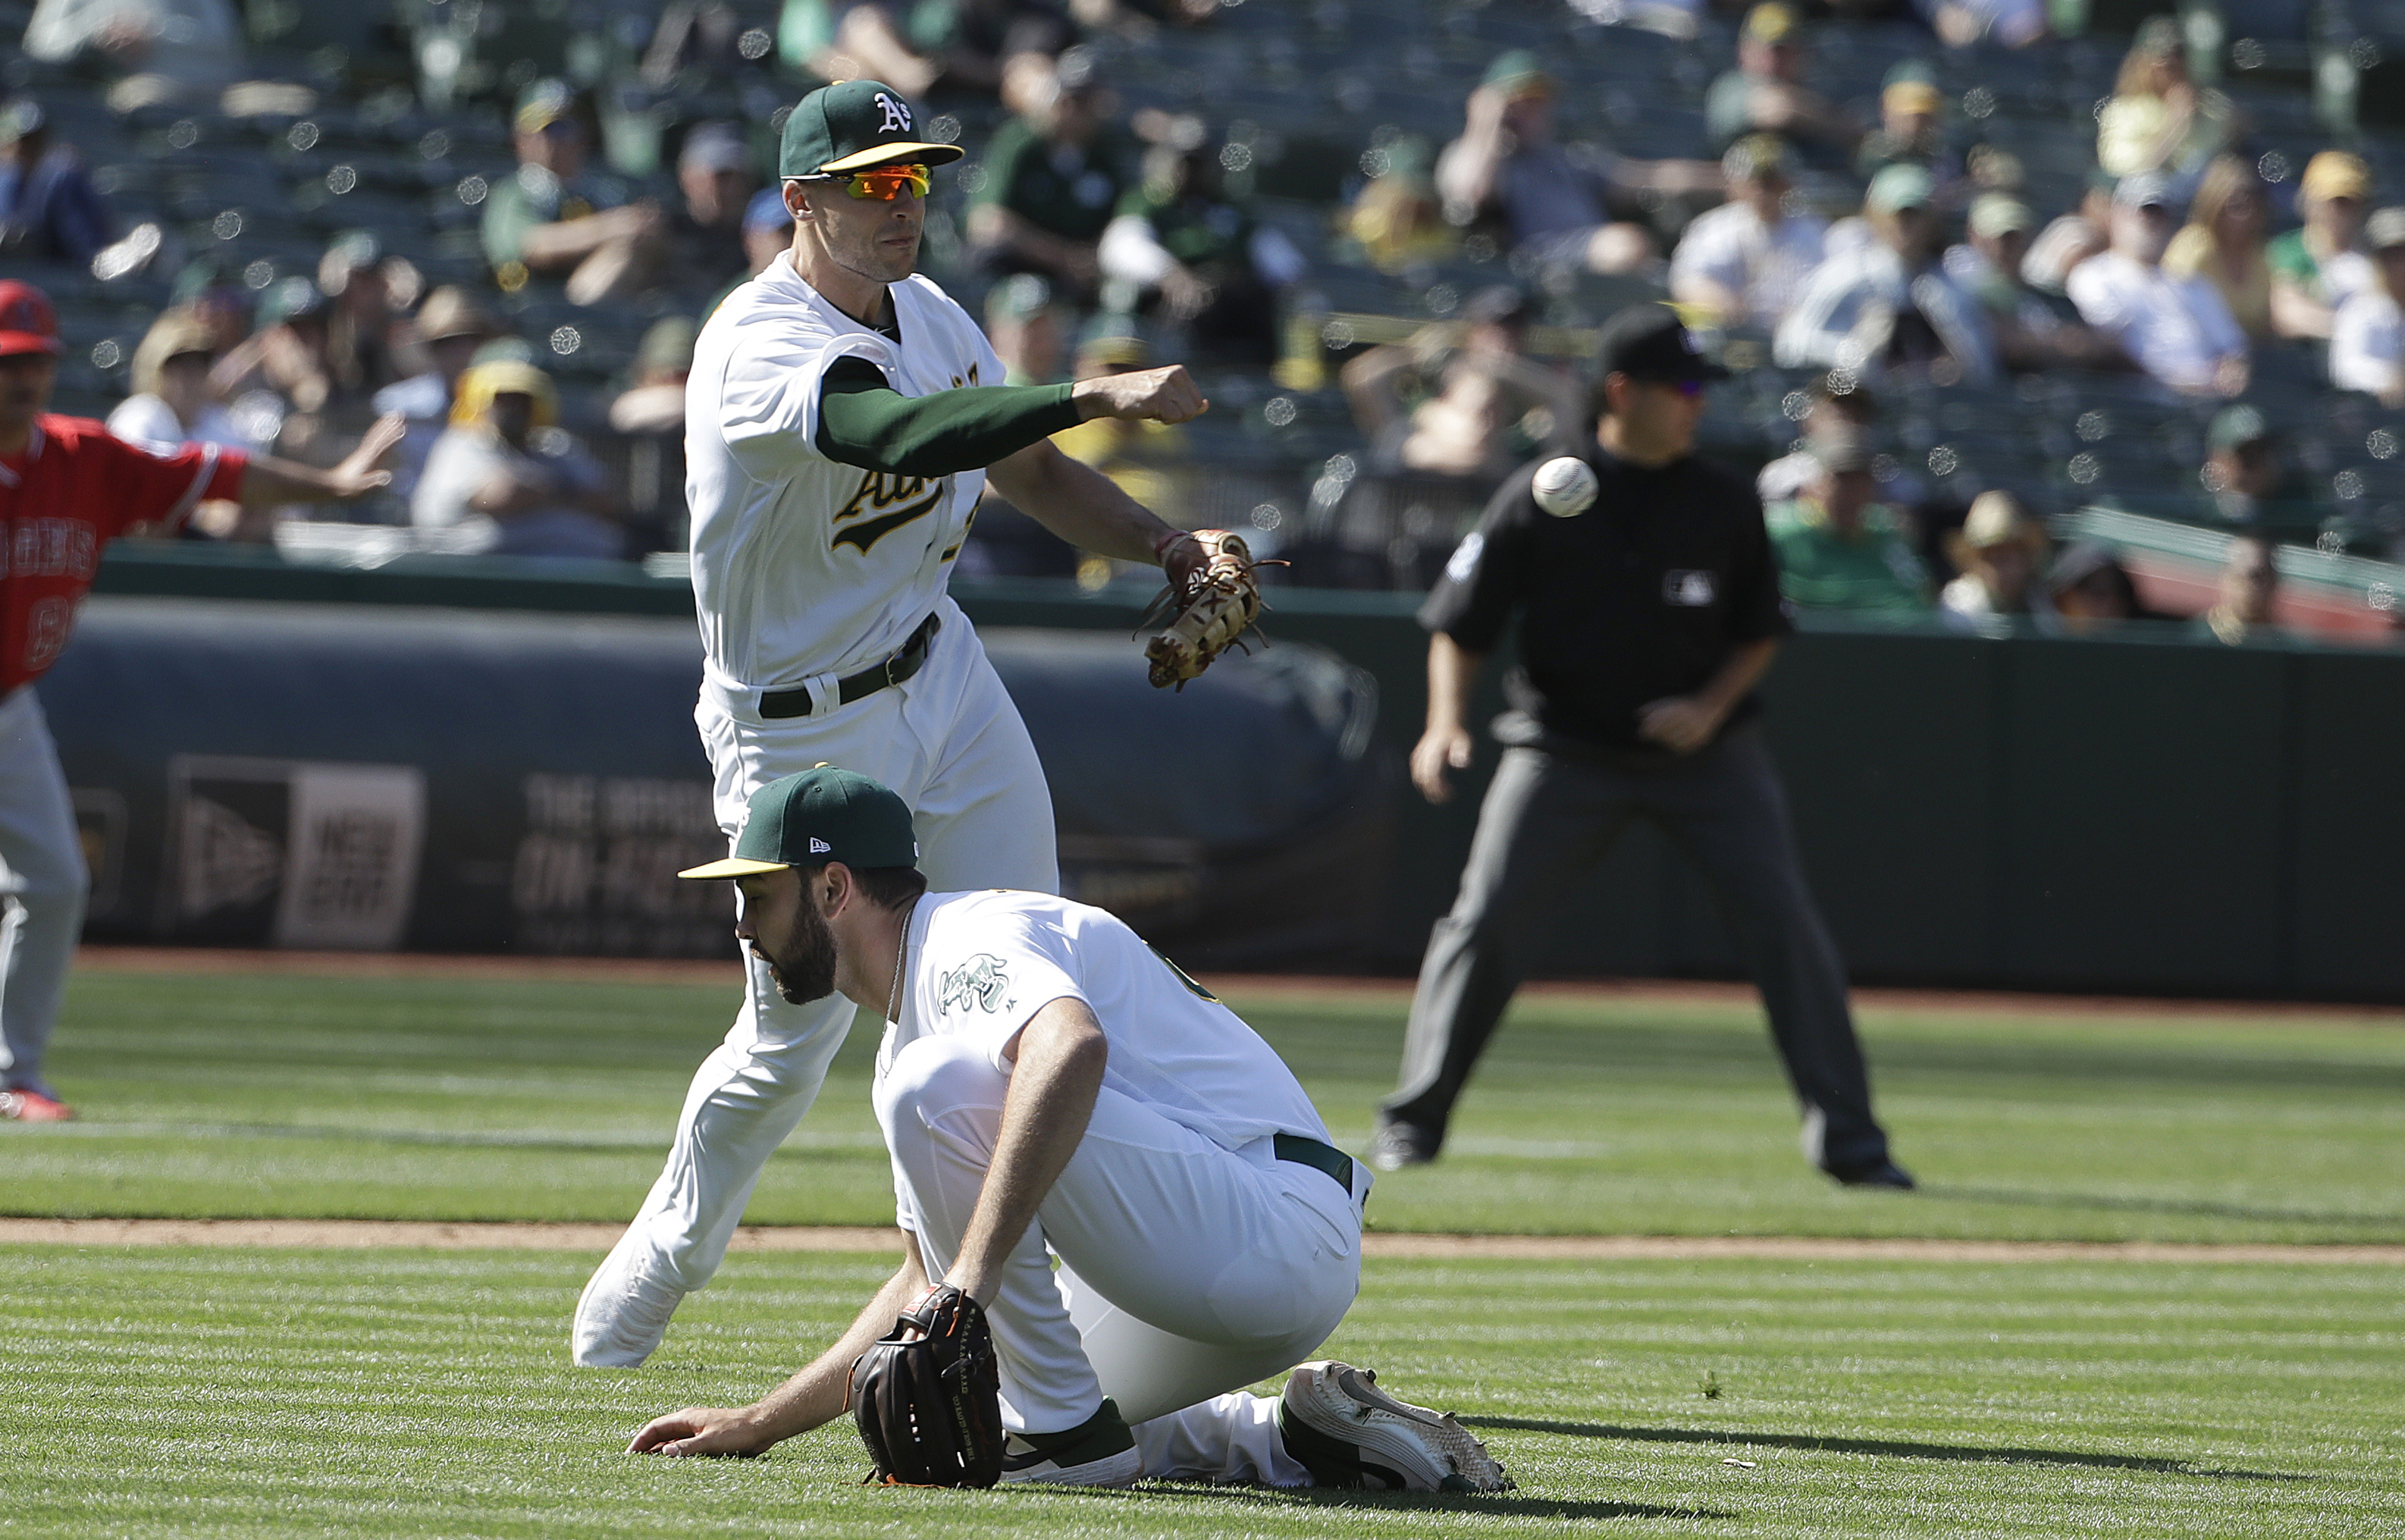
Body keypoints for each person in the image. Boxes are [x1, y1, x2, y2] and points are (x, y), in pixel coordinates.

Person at [572, 79, 1220, 1368]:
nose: (902, 201)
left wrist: (1163, 542)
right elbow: (901, 432)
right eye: (872, 182)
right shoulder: (755, 341)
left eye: (915, 177)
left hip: (941, 673)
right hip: (799, 738)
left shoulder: (931, 312)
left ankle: (1007, 1311)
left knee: (1029, 989)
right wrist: (1088, 389)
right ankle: (660, 1264)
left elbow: (1020, 471)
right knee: (789, 1040)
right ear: (799, 202)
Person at [625, 767, 1508, 1490]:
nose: (742, 927)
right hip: (1214, 1249)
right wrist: (760, 1423)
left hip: (1268, 1225)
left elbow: (1071, 1047)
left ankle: (1065, 1436)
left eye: (758, 894)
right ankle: (1301, 1433)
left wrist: (971, 1280)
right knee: (992, 1414)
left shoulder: (964, 943)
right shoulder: (909, 1037)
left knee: (944, 1103)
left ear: (832, 886)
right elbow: (919, 1280)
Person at [1370, 303, 1909, 1191]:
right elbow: (1458, 624)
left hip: (1709, 760)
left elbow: (1760, 629)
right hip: (1563, 748)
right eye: (1684, 386)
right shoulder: (1544, 493)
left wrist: (1707, 706)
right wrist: (1444, 723)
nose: (1699, 403)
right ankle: (1413, 1122)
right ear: (1622, 392)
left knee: (1786, 931)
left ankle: (1853, 1145)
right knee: (1488, 921)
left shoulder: (1724, 499)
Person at [0, 281, 400, 1122]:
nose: (23, 380)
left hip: (11, 704)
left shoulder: (82, 456)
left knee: (53, 882)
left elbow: (218, 473)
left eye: (36, 363)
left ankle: (13, 1078)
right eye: (9, 364)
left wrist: (328, 485)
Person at [1435, 51, 1704, 280]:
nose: (1533, 114)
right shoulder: (1480, 157)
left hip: (1590, 253)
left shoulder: (1567, 158)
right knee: (1624, 244)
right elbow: (1469, 194)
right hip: (1540, 260)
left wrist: (1724, 178)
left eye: (1539, 104)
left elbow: (1653, 178)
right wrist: (1486, 121)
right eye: (1521, 105)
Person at [1774, 164, 1998, 385]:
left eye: (1915, 215)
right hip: (1856, 401)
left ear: (1931, 220)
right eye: (1897, 215)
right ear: (1874, 216)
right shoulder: (1847, 275)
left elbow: (1982, 369)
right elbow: (1790, 343)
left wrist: (1952, 362)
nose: (1905, 225)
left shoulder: (1948, 286)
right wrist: (1854, 351)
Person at [1099, 130, 1307, 366]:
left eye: (1199, 163)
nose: (1190, 171)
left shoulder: (1231, 211)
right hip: (1174, 298)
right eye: (1184, 162)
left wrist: (1293, 290)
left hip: (1228, 297)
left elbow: (1284, 263)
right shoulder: (1147, 204)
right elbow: (1123, 248)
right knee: (1195, 305)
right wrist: (1172, 276)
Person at [1340, 284, 1579, 482]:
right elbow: (1361, 377)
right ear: (1472, 331)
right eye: (1496, 329)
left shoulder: (1525, 414)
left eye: (1516, 330)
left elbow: (1575, 402)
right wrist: (1413, 353)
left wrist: (1502, 369)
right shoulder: (1424, 399)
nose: (1507, 338)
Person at [411, 358, 622, 560]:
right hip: (473, 558)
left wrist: (543, 490)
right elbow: (500, 497)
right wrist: (563, 495)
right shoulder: (463, 443)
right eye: (502, 400)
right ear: (482, 403)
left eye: (522, 400)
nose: (513, 408)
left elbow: (605, 502)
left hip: (553, 558)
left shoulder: (555, 445)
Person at [2065, 172, 2248, 398]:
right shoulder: (2094, 275)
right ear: (2118, 215)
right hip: (2135, 398)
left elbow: (2232, 348)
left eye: (2159, 213)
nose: (2152, 220)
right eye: (2144, 211)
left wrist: (2230, 372)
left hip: (2205, 403)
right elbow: (2107, 348)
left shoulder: (2192, 284)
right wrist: (2169, 383)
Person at [967, 48, 1130, 300]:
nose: (1072, 111)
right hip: (1029, 261)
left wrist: (1090, 257)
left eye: (1083, 101)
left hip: (1084, 270)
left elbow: (1122, 221)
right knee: (989, 256)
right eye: (1067, 99)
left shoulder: (1105, 154)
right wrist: (1061, 257)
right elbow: (988, 221)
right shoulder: (1020, 143)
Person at [481, 79, 662, 303]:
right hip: (531, 305)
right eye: (547, 129)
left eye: (567, 127)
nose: (558, 140)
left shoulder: (604, 191)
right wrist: (613, 226)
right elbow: (532, 245)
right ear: (521, 139)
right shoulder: (513, 193)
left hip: (603, 293)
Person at [1668, 135, 1827, 331]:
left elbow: (1825, 288)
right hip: (1727, 334)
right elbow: (1688, 281)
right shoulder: (1715, 229)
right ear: (1737, 185)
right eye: (1756, 183)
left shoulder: (1812, 230)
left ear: (1788, 184)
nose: (1763, 192)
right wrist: (1726, 305)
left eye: (1772, 182)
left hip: (1791, 338)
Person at [1764, 431, 1931, 611]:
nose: (1851, 493)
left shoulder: (1887, 532)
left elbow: (1917, 595)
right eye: (1841, 480)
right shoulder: (1780, 533)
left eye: (1861, 481)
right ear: (1815, 486)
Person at [373, 286, 505, 505]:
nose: (461, 353)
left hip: (483, 513)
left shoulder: (505, 401)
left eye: (470, 341)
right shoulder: (395, 405)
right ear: (430, 349)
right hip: (408, 514)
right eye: (446, 344)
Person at [1703, 5, 1861, 158]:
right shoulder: (1730, 87)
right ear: (1743, 51)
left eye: (1782, 50)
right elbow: (1778, 110)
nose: (1771, 59)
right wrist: (1828, 120)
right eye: (1761, 50)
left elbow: (1854, 132)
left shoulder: (1816, 88)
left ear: (1800, 53)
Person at [2096, 17, 2231, 181]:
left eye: (2176, 62)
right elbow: (2123, 170)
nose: (2168, 72)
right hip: (2147, 198)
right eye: (2163, 66)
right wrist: (2175, 123)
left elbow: (2221, 158)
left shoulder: (2211, 107)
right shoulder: (2123, 112)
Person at [2162, 153, 2275, 343]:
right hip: (2197, 349)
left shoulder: (2260, 256)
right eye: (2236, 206)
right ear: (2215, 204)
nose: (2245, 215)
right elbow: (2172, 307)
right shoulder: (2194, 246)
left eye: (2252, 204)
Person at [2268, 151, 2374, 341]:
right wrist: (2353, 330)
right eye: (2335, 201)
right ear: (2309, 201)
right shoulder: (2288, 252)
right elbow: (2287, 313)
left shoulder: (2377, 256)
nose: (2340, 211)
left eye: (2351, 201)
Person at [0, 101, 111, 267]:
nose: (26, 147)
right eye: (20, 140)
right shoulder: (6, 177)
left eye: (33, 140)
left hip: (59, 271)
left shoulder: (63, 178)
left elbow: (83, 243)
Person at [666, 122, 759, 296]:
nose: (733, 187)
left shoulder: (761, 232)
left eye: (741, 176)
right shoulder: (665, 230)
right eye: (722, 177)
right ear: (687, 176)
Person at [2328, 205, 2405, 407]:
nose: (2398, 264)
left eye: (2402, 253)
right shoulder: (2361, 310)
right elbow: (2345, 369)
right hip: (2374, 418)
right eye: (2390, 255)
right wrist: (2388, 378)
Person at [1937, 490, 2047, 626]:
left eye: (2009, 558)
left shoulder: (2039, 601)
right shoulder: (1958, 605)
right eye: (1993, 559)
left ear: (2026, 560)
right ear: (1975, 563)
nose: (2003, 569)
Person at [2021, 171, 2114, 296]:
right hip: (2043, 303)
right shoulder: (2080, 234)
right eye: (2107, 203)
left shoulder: (2085, 229)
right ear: (2090, 202)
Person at [2196, 533, 2280, 644]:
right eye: (2243, 577)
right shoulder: (2198, 640)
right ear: (2225, 579)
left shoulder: (2286, 646)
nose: (2252, 587)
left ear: (2274, 581)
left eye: (2259, 577)